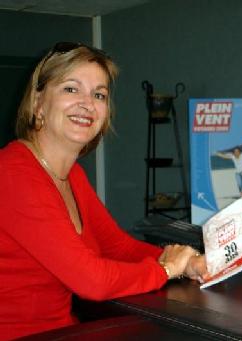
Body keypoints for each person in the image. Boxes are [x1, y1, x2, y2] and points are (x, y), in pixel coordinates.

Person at [0, 42, 207, 340]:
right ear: (37, 102)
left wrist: (185, 262)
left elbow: (117, 248)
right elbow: (92, 280)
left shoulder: (72, 175)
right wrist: (165, 269)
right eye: (71, 89)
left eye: (99, 95)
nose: (87, 103)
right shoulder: (13, 174)